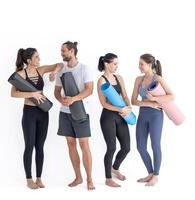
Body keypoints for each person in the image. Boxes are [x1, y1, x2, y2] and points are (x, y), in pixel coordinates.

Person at [11, 47, 62, 189]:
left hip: (43, 113)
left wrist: (54, 72)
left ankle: (39, 178)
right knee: (29, 146)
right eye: (37, 57)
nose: (39, 59)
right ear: (29, 60)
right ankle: (29, 179)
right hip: (29, 113)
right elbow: (13, 93)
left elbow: (60, 64)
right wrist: (32, 94)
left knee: (40, 146)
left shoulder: (41, 70)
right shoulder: (20, 74)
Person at [54, 41, 95, 190]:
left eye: (63, 51)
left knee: (84, 145)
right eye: (61, 51)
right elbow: (57, 92)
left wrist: (73, 99)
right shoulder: (61, 71)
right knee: (70, 144)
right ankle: (78, 177)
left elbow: (89, 90)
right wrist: (61, 100)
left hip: (81, 111)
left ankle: (90, 179)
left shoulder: (85, 68)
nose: (62, 53)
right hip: (65, 113)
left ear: (71, 51)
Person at [131, 54, 174, 186]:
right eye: (139, 64)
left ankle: (155, 175)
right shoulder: (138, 79)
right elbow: (134, 101)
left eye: (141, 64)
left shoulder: (158, 78)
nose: (139, 66)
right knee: (140, 147)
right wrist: (150, 103)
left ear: (150, 65)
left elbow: (171, 96)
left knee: (155, 145)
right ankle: (150, 173)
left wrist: (155, 99)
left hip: (156, 116)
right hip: (143, 115)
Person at [97, 53, 131, 187]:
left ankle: (115, 168)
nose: (117, 66)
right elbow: (104, 103)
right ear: (106, 64)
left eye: (117, 64)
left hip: (122, 116)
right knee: (111, 148)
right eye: (114, 64)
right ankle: (108, 178)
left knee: (126, 147)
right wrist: (119, 109)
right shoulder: (101, 80)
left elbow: (125, 95)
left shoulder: (119, 78)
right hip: (108, 117)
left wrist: (128, 107)